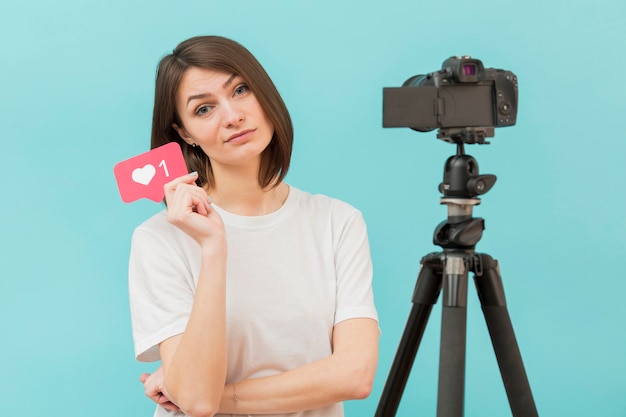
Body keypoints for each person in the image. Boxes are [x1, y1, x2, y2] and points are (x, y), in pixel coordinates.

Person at [128, 35, 379, 417]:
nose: (232, 116)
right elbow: (195, 401)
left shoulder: (337, 222)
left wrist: (200, 390)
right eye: (204, 109)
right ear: (184, 133)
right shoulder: (159, 239)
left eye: (241, 90)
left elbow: (354, 376)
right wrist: (213, 247)